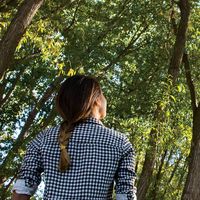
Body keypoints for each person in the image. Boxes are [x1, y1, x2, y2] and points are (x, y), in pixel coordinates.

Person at [12, 75, 137, 200]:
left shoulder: (44, 138)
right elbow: (126, 195)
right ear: (97, 100)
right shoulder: (120, 143)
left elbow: (22, 190)